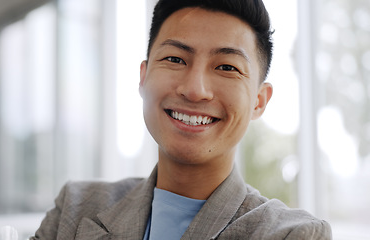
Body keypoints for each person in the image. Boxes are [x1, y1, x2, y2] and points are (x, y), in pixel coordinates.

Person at [32, 0, 332, 239]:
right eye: (175, 59)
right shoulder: (76, 206)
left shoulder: (291, 234)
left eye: (227, 67)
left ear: (259, 101)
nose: (194, 90)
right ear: (143, 77)